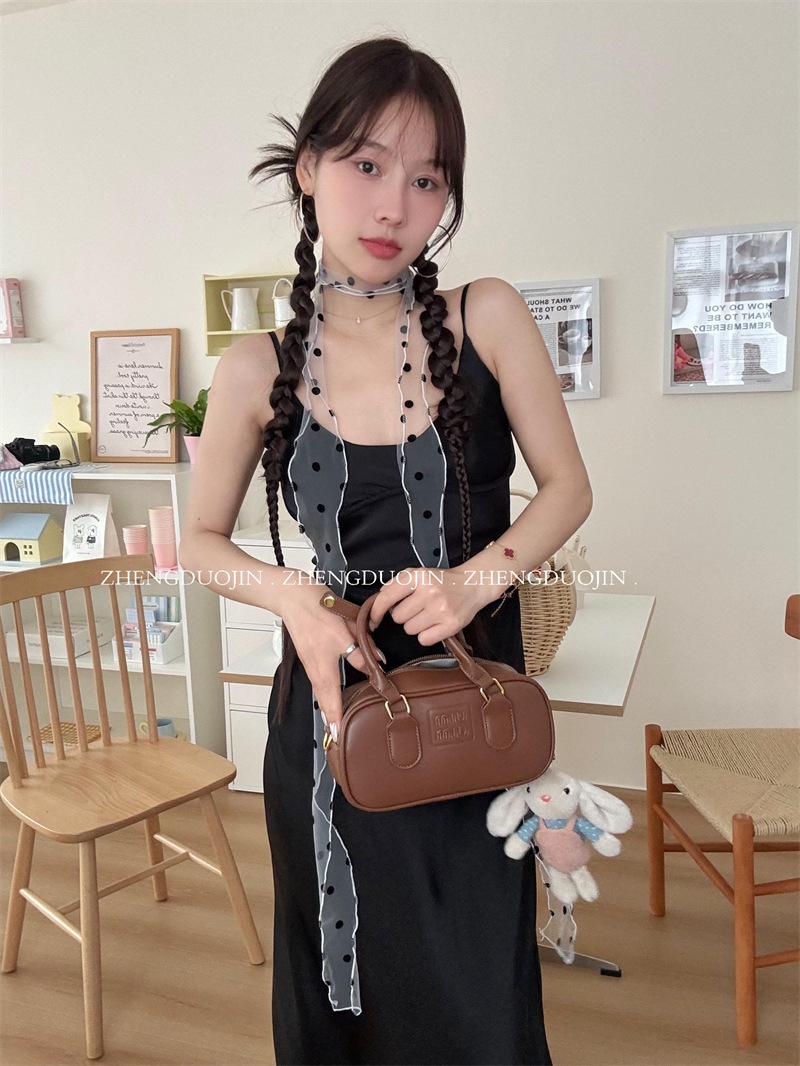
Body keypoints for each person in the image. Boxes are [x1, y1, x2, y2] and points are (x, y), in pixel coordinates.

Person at [181, 35, 592, 1066]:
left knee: (474, 998)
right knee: (342, 994)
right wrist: (293, 599)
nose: (392, 206)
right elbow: (196, 540)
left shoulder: (486, 315)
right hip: (332, 732)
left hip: (473, 726)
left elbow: (569, 488)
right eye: (366, 164)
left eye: (425, 179)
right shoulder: (252, 368)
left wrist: (472, 583)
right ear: (307, 168)